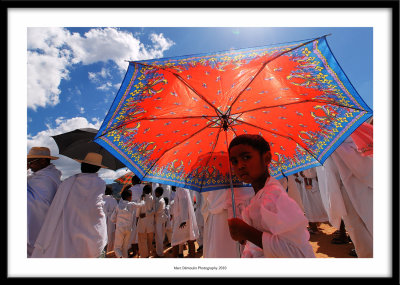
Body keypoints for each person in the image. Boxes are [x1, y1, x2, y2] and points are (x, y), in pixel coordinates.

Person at [227, 134, 315, 258]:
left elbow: (296, 252)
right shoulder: (260, 194)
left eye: (246, 157)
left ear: (266, 158)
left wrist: (247, 232)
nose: (240, 165)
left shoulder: (273, 197)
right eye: (234, 161)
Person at [32, 153, 108, 258]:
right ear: (98, 168)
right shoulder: (100, 183)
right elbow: (95, 207)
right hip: (91, 225)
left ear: (82, 165)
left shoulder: (69, 182)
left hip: (67, 225)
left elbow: (57, 205)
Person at [316, 135, 373, 258]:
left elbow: (330, 176)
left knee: (359, 228)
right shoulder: (335, 140)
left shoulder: (332, 144)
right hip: (352, 191)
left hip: (350, 191)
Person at [27, 147, 62, 257]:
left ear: (43, 161)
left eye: (30, 162)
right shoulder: (38, 177)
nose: (29, 165)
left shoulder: (47, 179)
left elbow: (38, 204)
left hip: (40, 228)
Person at [111, 188, 144, 258]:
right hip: (128, 229)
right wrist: (143, 199)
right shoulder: (131, 204)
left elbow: (112, 219)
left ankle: (120, 257)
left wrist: (117, 222)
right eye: (131, 196)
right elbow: (141, 205)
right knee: (125, 248)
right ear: (129, 197)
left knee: (117, 248)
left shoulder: (118, 206)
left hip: (120, 229)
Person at [297, 168, 329, 234]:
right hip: (307, 186)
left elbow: (311, 174)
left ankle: (338, 226)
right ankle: (314, 227)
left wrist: (302, 174)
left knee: (320, 205)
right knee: (309, 207)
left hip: (314, 184)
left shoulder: (309, 162)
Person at [170, 187, 199, 258]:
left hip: (182, 220)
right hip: (184, 218)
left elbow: (184, 203)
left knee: (175, 241)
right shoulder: (182, 188)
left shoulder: (181, 188)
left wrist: (183, 220)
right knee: (189, 239)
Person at [136, 184, 155, 258]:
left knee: (142, 240)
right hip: (150, 222)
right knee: (149, 240)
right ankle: (149, 253)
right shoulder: (153, 198)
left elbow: (138, 210)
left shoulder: (141, 198)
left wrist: (137, 217)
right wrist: (147, 214)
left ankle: (144, 255)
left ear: (144, 190)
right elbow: (154, 210)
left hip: (142, 222)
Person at [103, 185, 118, 253]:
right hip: (112, 221)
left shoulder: (102, 199)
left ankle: (104, 251)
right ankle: (109, 251)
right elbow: (116, 211)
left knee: (103, 235)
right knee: (111, 236)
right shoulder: (113, 200)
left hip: (103, 220)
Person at [154, 186, 168, 257]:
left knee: (158, 237)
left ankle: (159, 253)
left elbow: (155, 211)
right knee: (160, 236)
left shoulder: (159, 201)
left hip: (158, 220)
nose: (155, 193)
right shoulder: (161, 199)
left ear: (158, 193)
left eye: (155, 192)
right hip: (161, 219)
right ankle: (159, 251)